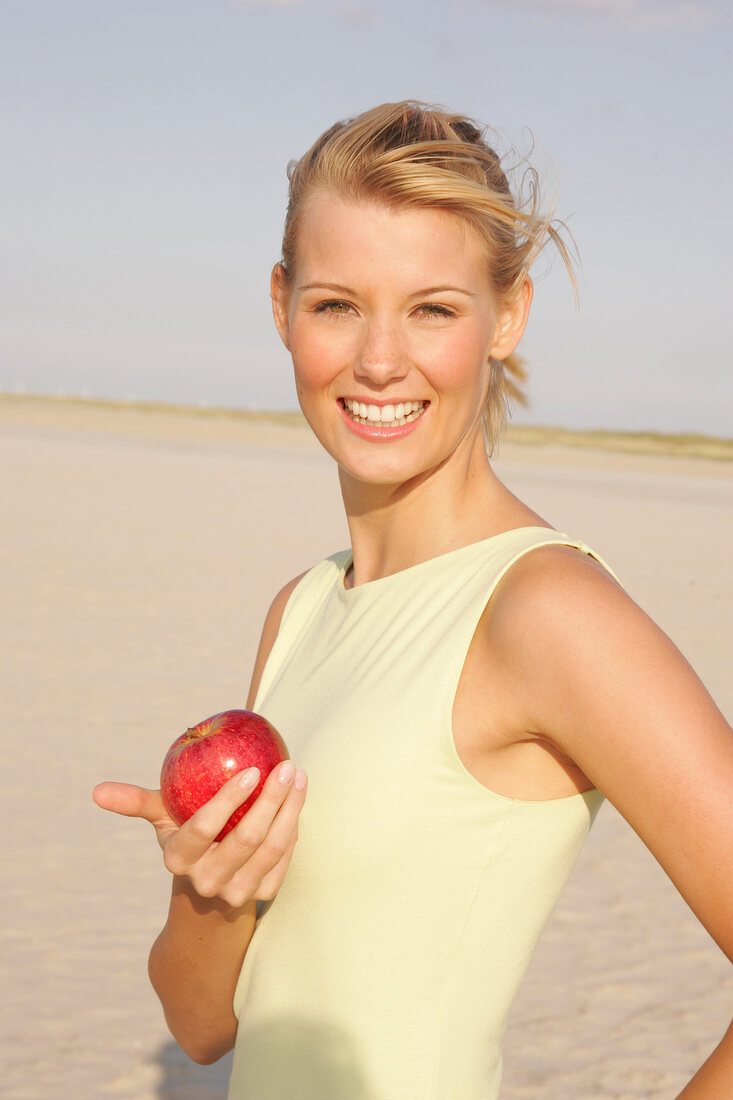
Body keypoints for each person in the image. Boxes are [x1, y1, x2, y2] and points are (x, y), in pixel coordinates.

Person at [93, 101, 733, 1098]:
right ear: (281, 305)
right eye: (337, 304)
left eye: (432, 307)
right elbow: (204, 1023)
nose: (379, 360)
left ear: (506, 316)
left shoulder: (543, 608)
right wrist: (204, 889)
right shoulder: (300, 608)